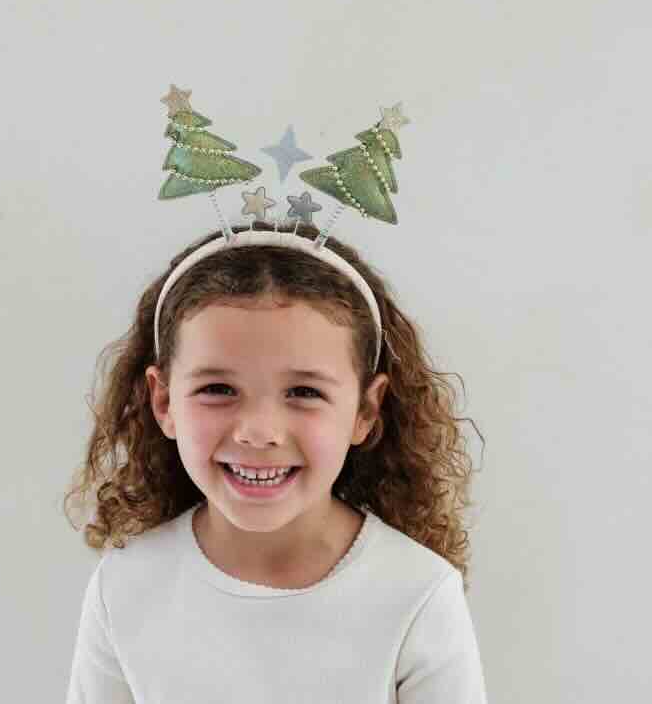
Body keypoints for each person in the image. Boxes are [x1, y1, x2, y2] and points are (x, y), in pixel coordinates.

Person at [63, 216, 489, 703]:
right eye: (218, 388)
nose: (259, 431)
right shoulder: (124, 586)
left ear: (366, 411)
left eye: (304, 392)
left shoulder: (418, 594)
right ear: (164, 402)